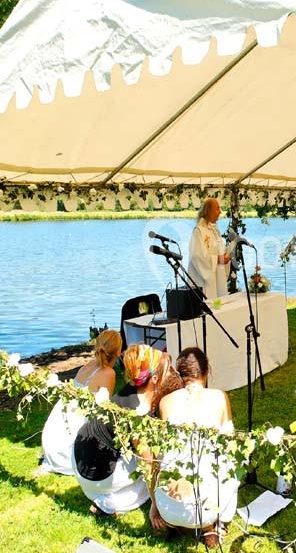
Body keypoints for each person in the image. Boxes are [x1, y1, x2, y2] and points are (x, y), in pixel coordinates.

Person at [72, 344, 182, 515]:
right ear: (154, 379)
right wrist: (155, 505)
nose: (172, 373)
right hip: (97, 475)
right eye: (167, 370)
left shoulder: (132, 389)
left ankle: (105, 497)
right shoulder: (137, 412)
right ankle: (108, 502)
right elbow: (147, 465)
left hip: (80, 459)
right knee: (155, 467)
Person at [149, 348, 238, 548]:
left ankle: (177, 521)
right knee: (233, 460)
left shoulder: (165, 402)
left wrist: (155, 504)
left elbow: (158, 459)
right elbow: (230, 445)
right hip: (206, 508)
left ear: (180, 373)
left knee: (173, 458)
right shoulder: (219, 397)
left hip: (167, 507)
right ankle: (215, 525)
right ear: (206, 371)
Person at [36, 329, 122, 477]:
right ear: (118, 352)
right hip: (72, 438)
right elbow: (104, 409)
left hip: (56, 432)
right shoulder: (108, 373)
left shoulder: (87, 366)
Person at [188, 198, 231, 299]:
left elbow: (219, 250)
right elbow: (196, 256)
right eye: (217, 208)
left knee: (219, 305)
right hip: (204, 281)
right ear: (208, 211)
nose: (220, 212)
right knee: (209, 305)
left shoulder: (214, 230)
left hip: (218, 277)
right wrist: (218, 259)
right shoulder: (199, 231)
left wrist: (227, 255)